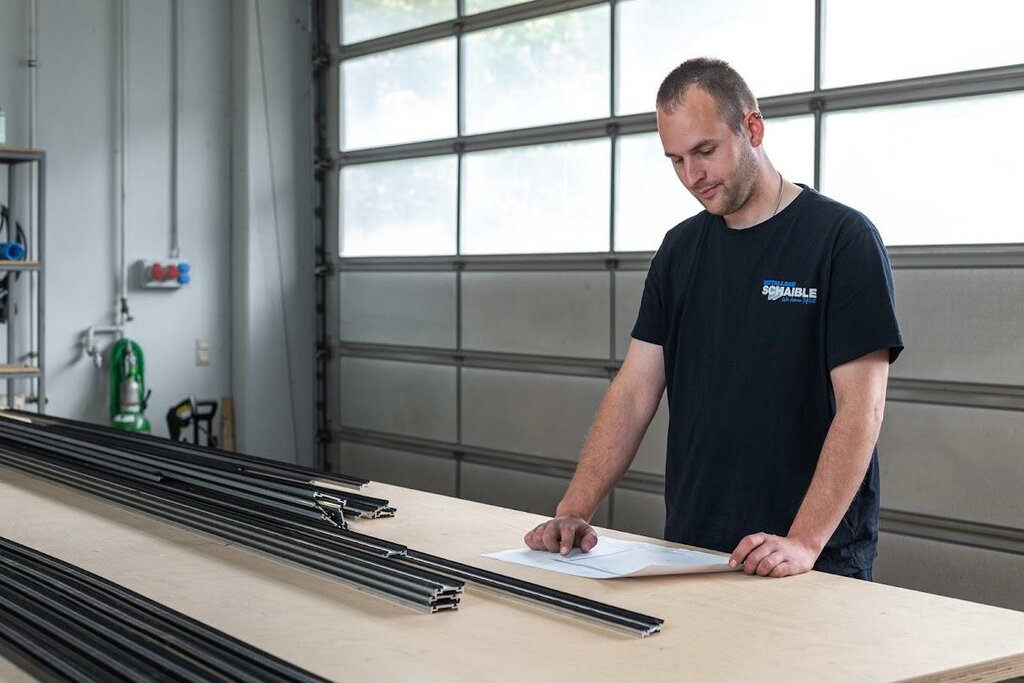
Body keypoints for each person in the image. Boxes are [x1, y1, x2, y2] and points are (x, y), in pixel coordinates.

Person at [523, 57, 903, 579]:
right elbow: (633, 391)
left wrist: (804, 542)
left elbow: (863, 407)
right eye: (676, 160)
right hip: (693, 551)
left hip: (810, 562)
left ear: (753, 129)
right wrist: (575, 508)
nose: (691, 176)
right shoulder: (679, 251)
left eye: (704, 151)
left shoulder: (842, 241)